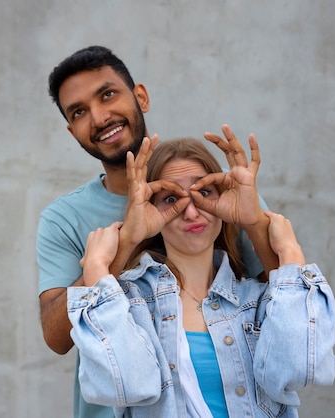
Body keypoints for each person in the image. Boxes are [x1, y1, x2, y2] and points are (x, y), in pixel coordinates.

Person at [37, 45, 275, 418]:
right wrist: (123, 244)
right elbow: (56, 337)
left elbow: (287, 304)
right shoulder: (64, 217)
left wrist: (254, 222)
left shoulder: (211, 190)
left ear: (141, 97)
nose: (99, 117)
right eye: (80, 112)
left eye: (108, 94)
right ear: (72, 131)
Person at [67, 133, 335, 417]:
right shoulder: (128, 304)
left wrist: (289, 253)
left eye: (204, 192)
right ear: (149, 211)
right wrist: (98, 269)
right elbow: (127, 386)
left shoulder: (261, 301)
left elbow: (298, 371)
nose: (192, 212)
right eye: (171, 198)